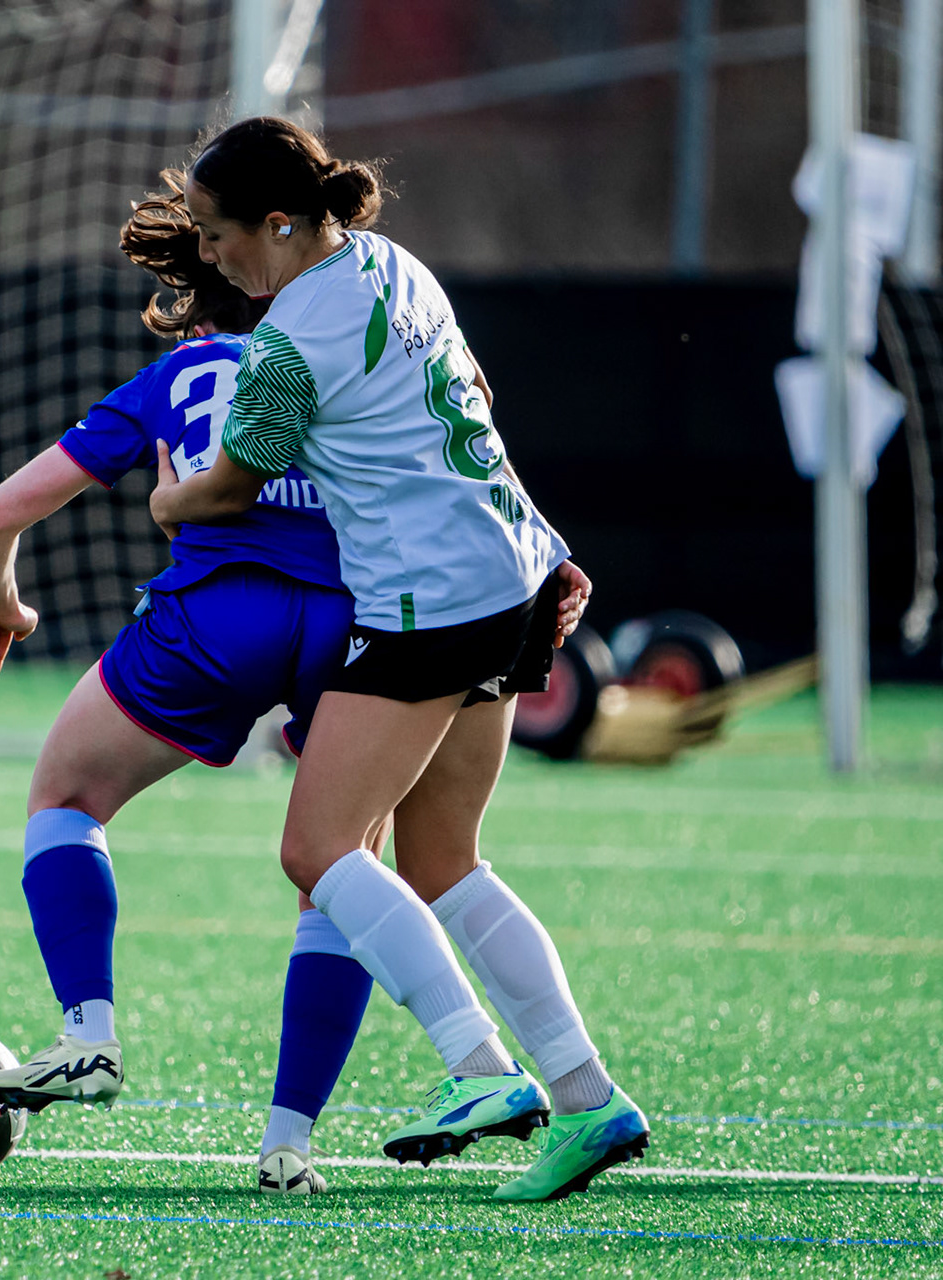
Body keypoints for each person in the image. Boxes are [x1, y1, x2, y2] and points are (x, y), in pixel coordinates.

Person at [149, 117, 645, 1201]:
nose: (212, 257)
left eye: (219, 234)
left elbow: (229, 488)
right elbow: (476, 406)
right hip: (514, 571)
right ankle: (590, 1098)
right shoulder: (392, 262)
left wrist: (167, 501)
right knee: (444, 860)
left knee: (316, 848)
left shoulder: (285, 344)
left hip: (431, 603)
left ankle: (480, 1068)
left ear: (279, 222)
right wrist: (543, 543)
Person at [0, 175, 376, 1196]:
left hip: (213, 619)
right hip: (349, 621)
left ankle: (88, 1034)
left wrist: (1, 606)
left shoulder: (177, 374)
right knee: (341, 872)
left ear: (200, 297)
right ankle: (289, 1143)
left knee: (66, 796)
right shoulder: (347, 355)